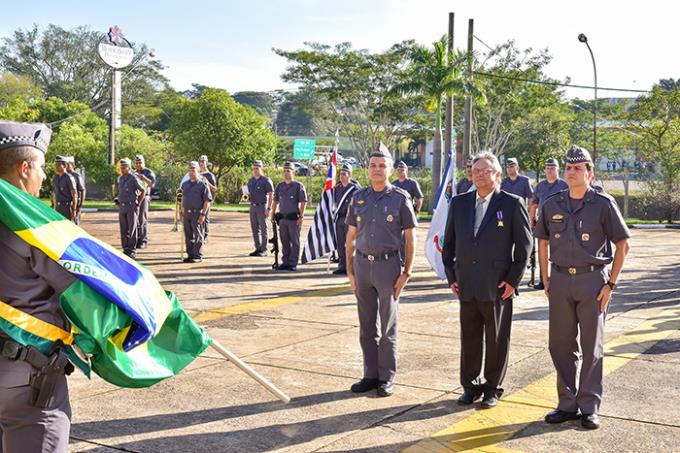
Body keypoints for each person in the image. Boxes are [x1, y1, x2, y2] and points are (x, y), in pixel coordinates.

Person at [534, 145, 630, 430]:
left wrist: (610, 284)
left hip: (593, 282)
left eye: (578, 168)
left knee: (592, 347)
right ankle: (567, 404)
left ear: (590, 173)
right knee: (560, 345)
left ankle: (589, 406)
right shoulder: (552, 203)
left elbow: (623, 244)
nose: (571, 172)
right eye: (568, 168)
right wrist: (546, 278)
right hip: (561, 281)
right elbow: (542, 240)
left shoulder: (603, 204)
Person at [0, 120, 74, 452]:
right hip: (23, 375)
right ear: (24, 168)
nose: (45, 177)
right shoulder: (35, 227)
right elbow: (84, 289)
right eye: (42, 167)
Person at [442, 151, 532, 409]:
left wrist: (513, 281)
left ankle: (492, 387)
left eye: (486, 170)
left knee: (496, 340)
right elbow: (449, 244)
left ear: (498, 174)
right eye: (476, 170)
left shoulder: (512, 203)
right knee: (469, 338)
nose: (480, 174)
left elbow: (524, 248)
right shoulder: (459, 203)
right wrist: (451, 276)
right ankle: (470, 385)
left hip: (497, 286)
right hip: (466, 283)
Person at [345, 147, 417, 397]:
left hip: (389, 267)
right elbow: (351, 237)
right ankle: (370, 374)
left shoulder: (400, 197)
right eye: (373, 165)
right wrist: (350, 270)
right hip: (363, 266)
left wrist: (406, 273)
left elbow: (410, 237)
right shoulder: (358, 197)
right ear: (368, 168)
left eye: (382, 166)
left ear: (390, 169)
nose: (377, 169)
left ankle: (386, 377)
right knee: (366, 326)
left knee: (387, 326)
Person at [530, 158, 568, 290]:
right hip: (543, 222)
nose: (550, 170)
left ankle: (560, 278)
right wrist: (532, 220)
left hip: (561, 224)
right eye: (547, 167)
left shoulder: (564, 185)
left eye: (553, 167)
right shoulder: (540, 186)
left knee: (560, 252)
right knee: (542, 252)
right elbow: (534, 204)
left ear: (558, 169)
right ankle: (543, 279)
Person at [271, 162, 307, 271]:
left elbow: (303, 202)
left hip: (293, 219)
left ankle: (293, 263)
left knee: (294, 241)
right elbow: (275, 201)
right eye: (285, 171)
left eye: (288, 171)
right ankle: (285, 262)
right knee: (284, 241)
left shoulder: (298, 186)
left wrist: (301, 217)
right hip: (282, 219)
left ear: (293, 172)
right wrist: (272, 213)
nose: (286, 173)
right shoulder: (280, 186)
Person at [181, 161, 212, 263]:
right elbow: (182, 198)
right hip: (187, 213)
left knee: (198, 234)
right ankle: (190, 255)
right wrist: (181, 211)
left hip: (197, 213)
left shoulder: (202, 184)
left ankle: (197, 255)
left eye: (193, 170)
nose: (191, 172)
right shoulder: (185, 184)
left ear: (198, 171)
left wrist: (203, 214)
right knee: (188, 235)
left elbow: (207, 200)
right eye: (189, 170)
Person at [332, 163, 360, 275]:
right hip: (340, 218)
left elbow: (359, 205)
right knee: (340, 243)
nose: (342, 176)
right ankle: (342, 265)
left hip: (350, 221)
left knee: (350, 244)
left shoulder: (355, 189)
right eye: (341, 174)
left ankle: (351, 267)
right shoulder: (337, 188)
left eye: (344, 174)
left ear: (350, 175)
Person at [117, 158, 146, 259]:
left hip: (131, 206)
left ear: (129, 168)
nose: (122, 169)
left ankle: (132, 250)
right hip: (122, 206)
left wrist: (138, 203)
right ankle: (125, 249)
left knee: (132, 228)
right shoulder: (120, 179)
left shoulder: (133, 178)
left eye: (124, 167)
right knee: (123, 229)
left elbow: (143, 190)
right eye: (121, 167)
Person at [247, 160, 274, 256]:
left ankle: (264, 249)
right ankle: (257, 248)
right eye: (254, 168)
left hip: (262, 206)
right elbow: (248, 193)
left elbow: (271, 195)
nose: (255, 170)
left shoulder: (266, 180)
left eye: (257, 168)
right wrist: (247, 197)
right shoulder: (251, 181)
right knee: (254, 229)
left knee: (264, 228)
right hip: (253, 206)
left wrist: (269, 208)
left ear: (261, 168)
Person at [134, 155, 156, 249]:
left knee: (142, 219)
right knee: (134, 220)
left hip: (144, 197)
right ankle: (136, 239)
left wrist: (143, 178)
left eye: (140, 162)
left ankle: (143, 240)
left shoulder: (148, 172)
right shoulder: (133, 172)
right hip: (134, 197)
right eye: (137, 163)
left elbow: (152, 184)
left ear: (144, 163)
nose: (138, 164)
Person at [199, 155, 218, 242]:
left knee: (205, 217)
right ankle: (199, 235)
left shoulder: (210, 175)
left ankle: (205, 236)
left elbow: (215, 189)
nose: (202, 163)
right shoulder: (197, 174)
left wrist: (207, 183)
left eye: (203, 162)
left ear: (207, 163)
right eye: (200, 161)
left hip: (206, 199)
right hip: (198, 199)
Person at [51, 156, 77, 222]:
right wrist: (54, 207)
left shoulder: (69, 178)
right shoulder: (55, 178)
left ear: (65, 165)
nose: (56, 166)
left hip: (67, 207)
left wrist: (74, 210)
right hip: (58, 207)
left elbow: (74, 195)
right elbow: (54, 193)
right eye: (56, 164)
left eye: (59, 164)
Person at [65, 156, 85, 225]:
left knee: (75, 223)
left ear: (72, 165)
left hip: (75, 203)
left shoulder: (76, 175)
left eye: (68, 164)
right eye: (65, 164)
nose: (66, 166)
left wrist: (80, 205)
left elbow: (82, 190)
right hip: (66, 203)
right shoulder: (64, 175)